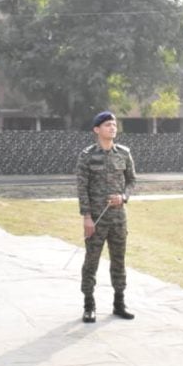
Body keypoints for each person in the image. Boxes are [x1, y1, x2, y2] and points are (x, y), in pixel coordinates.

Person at [76, 111, 137, 323]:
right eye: (108, 125)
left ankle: (119, 303)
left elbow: (132, 182)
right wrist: (86, 217)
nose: (113, 128)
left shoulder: (124, 153)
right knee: (91, 261)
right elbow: (82, 188)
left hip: (119, 218)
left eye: (114, 125)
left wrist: (123, 196)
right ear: (97, 129)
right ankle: (89, 304)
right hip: (96, 218)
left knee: (118, 261)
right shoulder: (87, 155)